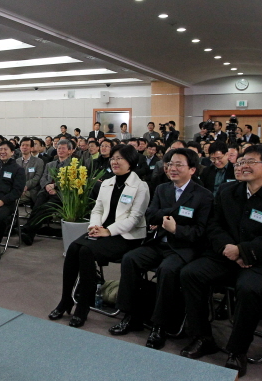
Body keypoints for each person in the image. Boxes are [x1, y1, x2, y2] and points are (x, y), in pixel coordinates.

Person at [179, 145, 262, 377]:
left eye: (250, 161)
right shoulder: (227, 191)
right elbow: (214, 226)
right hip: (225, 256)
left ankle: (238, 350)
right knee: (191, 273)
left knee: (248, 288)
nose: (243, 165)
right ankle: (202, 337)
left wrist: (244, 251)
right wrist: (228, 249)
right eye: (241, 160)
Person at [110, 148, 213, 349]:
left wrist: (176, 228)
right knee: (131, 259)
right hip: (159, 243)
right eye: (170, 164)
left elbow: (200, 231)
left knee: (167, 270)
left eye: (178, 165)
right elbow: (151, 215)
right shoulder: (162, 189)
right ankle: (131, 315)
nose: (172, 169)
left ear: (192, 169)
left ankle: (160, 325)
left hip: (183, 248)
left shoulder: (204, 195)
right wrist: (172, 215)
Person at [48, 144, 149, 328]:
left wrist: (108, 231)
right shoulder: (108, 182)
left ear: (131, 162)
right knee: (73, 248)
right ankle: (66, 300)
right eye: (113, 158)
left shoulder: (140, 186)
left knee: (86, 251)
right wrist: (95, 226)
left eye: (120, 158)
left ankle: (83, 307)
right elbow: (98, 209)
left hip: (126, 236)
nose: (115, 162)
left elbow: (134, 219)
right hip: (102, 231)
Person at [21, 139, 76, 245]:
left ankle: (28, 231)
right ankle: (28, 231)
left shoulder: (73, 165)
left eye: (63, 148)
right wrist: (47, 186)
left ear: (70, 151)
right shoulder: (50, 164)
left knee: (45, 208)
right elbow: (43, 178)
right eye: (59, 148)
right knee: (37, 206)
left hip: (61, 194)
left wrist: (55, 186)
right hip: (46, 191)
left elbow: (70, 181)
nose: (60, 150)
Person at [17, 137, 45, 204]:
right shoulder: (16, 161)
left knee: (13, 199)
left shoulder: (39, 161)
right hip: (17, 189)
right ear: (20, 147)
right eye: (23, 145)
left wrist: (25, 186)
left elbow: (37, 178)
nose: (24, 147)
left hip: (31, 190)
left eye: (27, 145)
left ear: (31, 148)